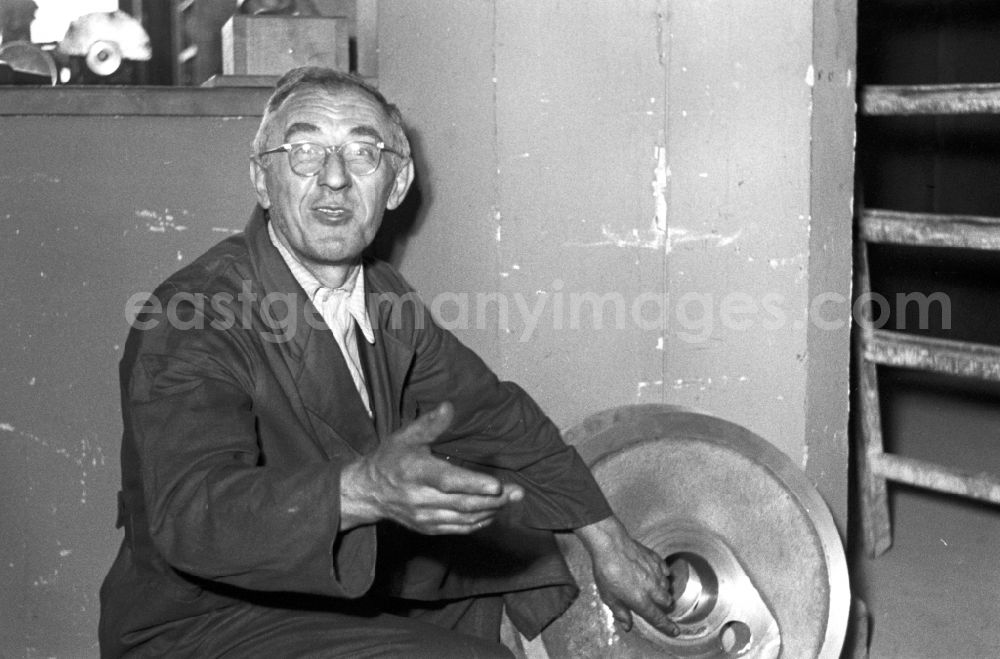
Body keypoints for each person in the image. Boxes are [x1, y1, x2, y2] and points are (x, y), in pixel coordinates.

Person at [99, 66, 676, 657]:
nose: (333, 178)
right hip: (202, 624)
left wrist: (607, 539)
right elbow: (196, 514)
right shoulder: (192, 314)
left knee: (514, 546)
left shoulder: (384, 297)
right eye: (304, 151)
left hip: (320, 599)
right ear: (262, 181)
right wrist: (361, 490)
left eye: (363, 153)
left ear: (395, 185)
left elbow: (494, 416)